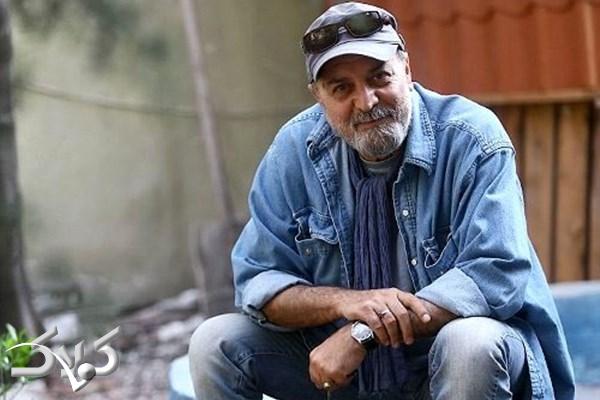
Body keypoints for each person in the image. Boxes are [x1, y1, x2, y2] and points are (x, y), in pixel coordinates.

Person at [188, 2, 575, 399]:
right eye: (342, 88)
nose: (367, 101)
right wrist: (346, 304)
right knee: (215, 342)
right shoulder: (294, 151)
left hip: (444, 362)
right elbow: (259, 282)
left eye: (379, 77)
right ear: (318, 96)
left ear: (406, 69)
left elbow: (496, 272)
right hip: (345, 376)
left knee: (470, 343)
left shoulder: (471, 138)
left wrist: (364, 331)